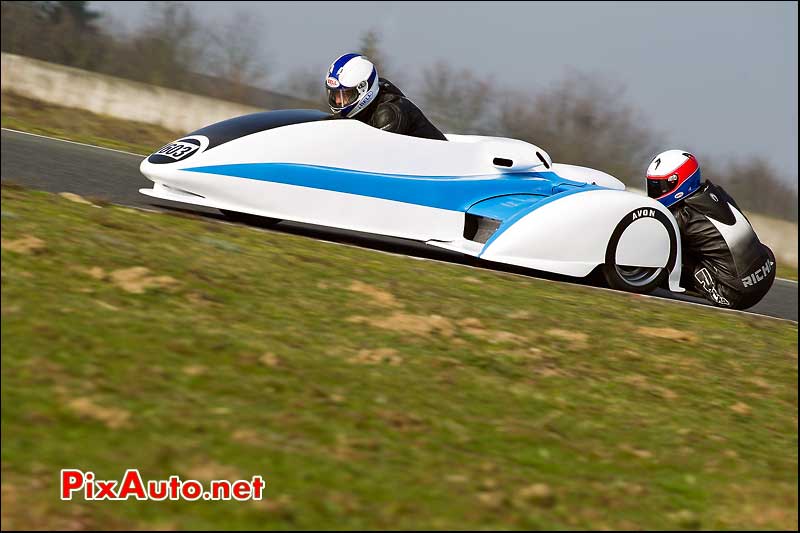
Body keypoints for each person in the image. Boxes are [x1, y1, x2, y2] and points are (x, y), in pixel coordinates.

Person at [646, 150, 776, 309]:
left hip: (735, 292)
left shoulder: (684, 216)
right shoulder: (716, 192)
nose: (657, 192)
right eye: (653, 186)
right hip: (767, 268)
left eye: (662, 186)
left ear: (682, 181)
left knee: (663, 256)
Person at [324, 53, 447, 141]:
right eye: (335, 95)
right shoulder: (368, 106)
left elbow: (374, 157)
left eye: (345, 95)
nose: (338, 101)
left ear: (363, 89)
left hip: (438, 170)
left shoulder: (388, 114)